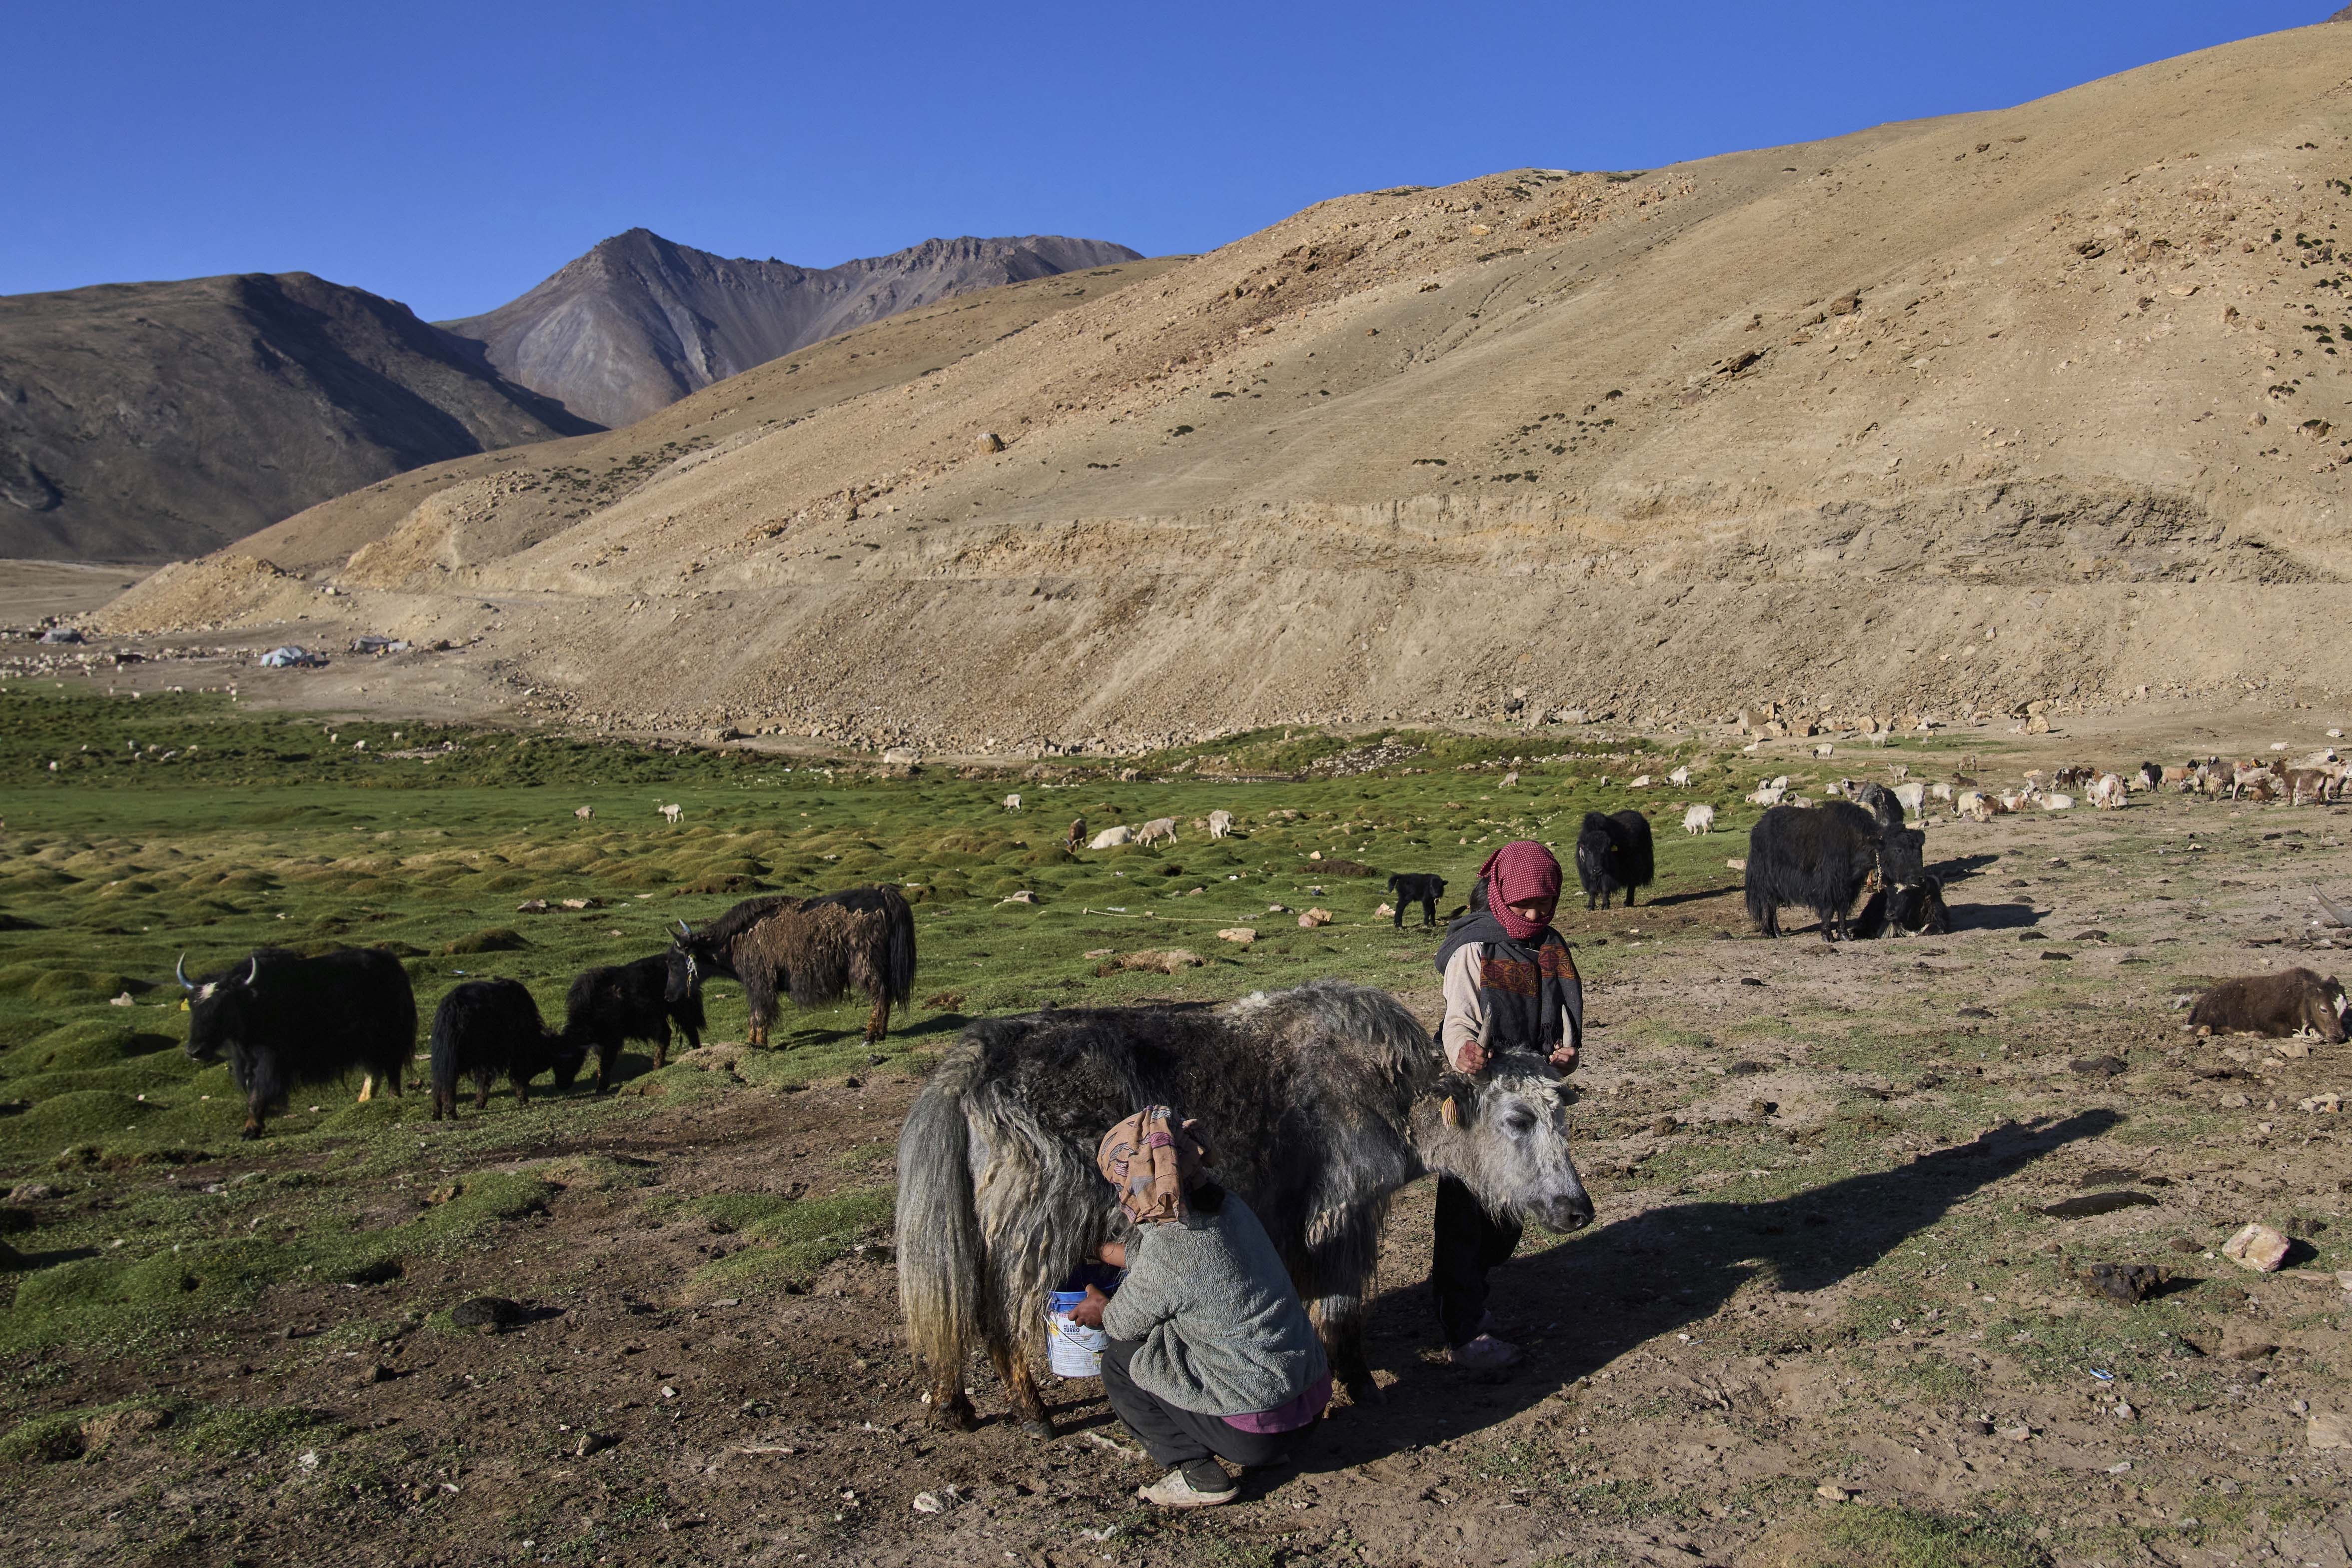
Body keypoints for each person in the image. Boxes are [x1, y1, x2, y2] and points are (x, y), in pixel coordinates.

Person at [1068, 1106, 1330, 1509]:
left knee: (1121, 1358)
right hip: (1310, 1404)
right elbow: (1166, 1261)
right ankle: (1272, 1447)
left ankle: (1197, 1473)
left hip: (1254, 1433)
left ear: (1133, 1181)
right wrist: (1101, 1252)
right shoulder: (1229, 1206)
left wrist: (1100, 1306)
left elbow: (1120, 1323)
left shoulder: (1172, 1247)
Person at [1429, 839, 1584, 1370]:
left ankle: (1469, 1293)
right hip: (1479, 1097)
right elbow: (1458, 1018)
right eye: (1526, 905)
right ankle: (1463, 1326)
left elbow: (1561, 1020)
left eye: (1546, 904)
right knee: (1466, 1215)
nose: (1536, 915)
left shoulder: (1551, 948)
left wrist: (1565, 1057)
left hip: (1532, 1095)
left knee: (1508, 1220)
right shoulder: (1474, 949)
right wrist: (1463, 1051)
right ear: (1499, 895)